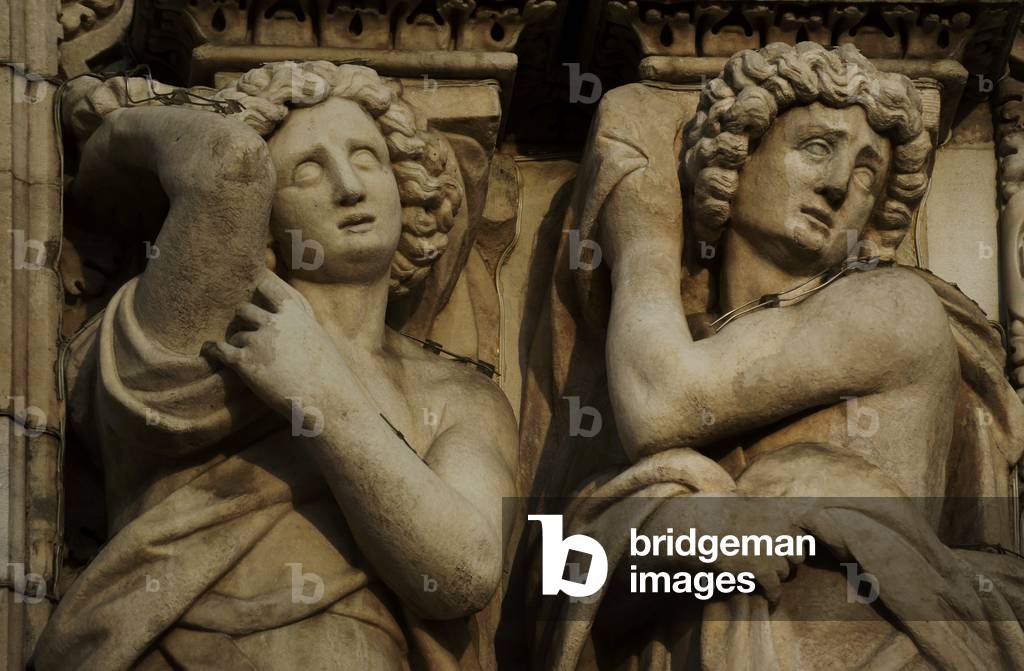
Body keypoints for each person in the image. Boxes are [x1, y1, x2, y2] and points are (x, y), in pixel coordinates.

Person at [534, 42, 1024, 670]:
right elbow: (564, 581)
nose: (839, 184)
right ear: (733, 159)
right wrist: (673, 537)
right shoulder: (679, 342)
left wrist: (643, 232)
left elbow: (662, 405)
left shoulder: (890, 306)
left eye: (868, 172)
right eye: (816, 147)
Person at [35, 61, 516, 670]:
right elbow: (227, 164)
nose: (349, 186)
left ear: (406, 182)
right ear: (261, 211)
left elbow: (460, 573)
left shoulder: (458, 393)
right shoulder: (197, 334)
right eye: (307, 171)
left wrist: (318, 392)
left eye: (367, 157)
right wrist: (110, 125)